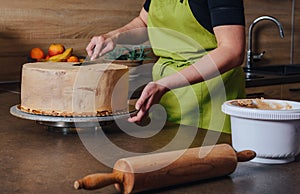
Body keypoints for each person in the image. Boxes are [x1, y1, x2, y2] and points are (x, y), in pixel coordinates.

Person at [86, 0, 246, 133]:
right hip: (165, 98)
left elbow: (232, 50)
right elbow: (144, 22)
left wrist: (166, 84)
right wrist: (113, 37)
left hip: (209, 100)